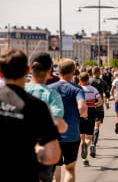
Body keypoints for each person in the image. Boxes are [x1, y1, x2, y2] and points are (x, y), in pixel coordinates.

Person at [0, 49, 61, 181]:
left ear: (1, 72)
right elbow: (52, 156)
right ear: (27, 70)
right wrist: (36, 150)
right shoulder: (38, 106)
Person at [25, 52, 68, 182]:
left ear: (30, 69)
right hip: (42, 152)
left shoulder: (18, 90)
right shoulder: (51, 95)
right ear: (50, 71)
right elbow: (58, 124)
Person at [49, 58, 87, 182]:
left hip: (54, 136)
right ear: (74, 72)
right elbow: (82, 108)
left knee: (56, 168)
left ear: (58, 71)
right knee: (69, 169)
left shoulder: (50, 88)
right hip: (72, 136)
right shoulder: (77, 89)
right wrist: (83, 114)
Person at [79, 72, 103, 166]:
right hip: (91, 113)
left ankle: (84, 159)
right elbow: (100, 101)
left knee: (82, 138)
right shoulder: (93, 89)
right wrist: (94, 104)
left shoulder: (78, 89)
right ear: (88, 79)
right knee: (89, 137)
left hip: (80, 113)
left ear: (80, 79)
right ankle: (88, 145)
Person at [89, 67, 110, 152]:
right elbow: (108, 94)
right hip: (99, 107)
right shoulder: (103, 82)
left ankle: (89, 142)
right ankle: (94, 143)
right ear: (99, 73)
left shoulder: (88, 81)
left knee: (89, 126)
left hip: (89, 106)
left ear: (92, 72)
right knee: (96, 126)